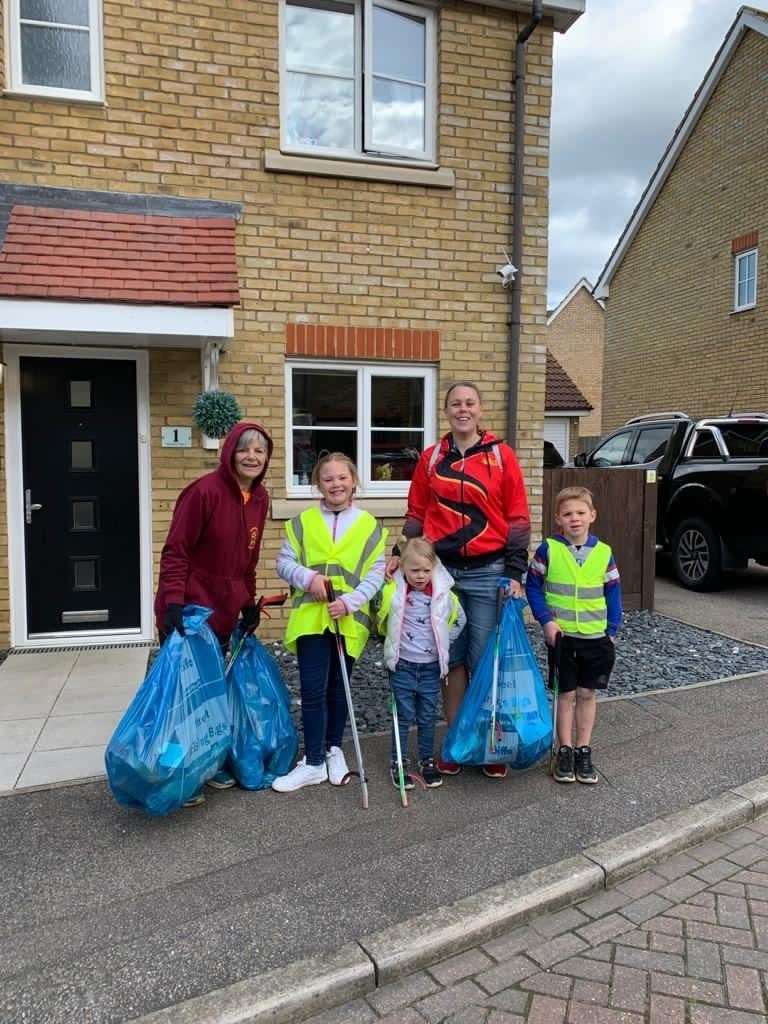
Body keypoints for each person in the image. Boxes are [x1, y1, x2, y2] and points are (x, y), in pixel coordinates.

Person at [387, 381, 530, 780]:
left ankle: (487, 746)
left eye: (469, 403)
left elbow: (518, 516)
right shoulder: (432, 458)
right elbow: (416, 512)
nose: (462, 409)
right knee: (449, 661)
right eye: (455, 404)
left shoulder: (501, 456)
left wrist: (516, 572)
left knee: (485, 661)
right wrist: (400, 555)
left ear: (480, 409)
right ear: (446, 410)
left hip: (489, 572)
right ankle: (456, 743)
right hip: (442, 573)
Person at [154, 421, 273, 804]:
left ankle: (205, 761)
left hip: (223, 612)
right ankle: (178, 773)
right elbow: (176, 551)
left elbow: (247, 561)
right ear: (230, 452)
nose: (252, 456)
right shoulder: (203, 492)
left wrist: (249, 604)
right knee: (184, 696)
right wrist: (173, 602)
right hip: (190, 609)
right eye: (244, 449)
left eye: (259, 450)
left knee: (211, 693)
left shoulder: (260, 498)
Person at [272, 453, 387, 793]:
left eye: (342, 478)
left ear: (354, 481)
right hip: (311, 618)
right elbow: (283, 563)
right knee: (312, 689)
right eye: (327, 479)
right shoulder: (302, 522)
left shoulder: (370, 526)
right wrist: (308, 579)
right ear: (317, 485)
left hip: (348, 620)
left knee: (340, 688)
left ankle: (334, 749)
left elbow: (375, 574)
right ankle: (313, 762)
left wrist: (350, 602)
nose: (336, 484)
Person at [525, 485, 623, 785]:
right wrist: (546, 622)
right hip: (563, 637)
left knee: (586, 694)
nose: (575, 519)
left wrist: (612, 631)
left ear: (592, 515)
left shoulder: (604, 553)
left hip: (595, 637)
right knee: (565, 694)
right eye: (568, 514)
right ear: (558, 519)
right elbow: (533, 587)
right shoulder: (549, 550)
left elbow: (613, 592)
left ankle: (583, 748)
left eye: (581, 513)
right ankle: (564, 750)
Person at [377, 537, 466, 790]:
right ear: (402, 567)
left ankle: (427, 760)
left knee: (427, 716)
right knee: (402, 717)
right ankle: (399, 762)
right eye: (414, 570)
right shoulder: (393, 593)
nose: (420, 576)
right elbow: (381, 620)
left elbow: (459, 620)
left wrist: (443, 644)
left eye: (426, 570)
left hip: (430, 666)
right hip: (403, 664)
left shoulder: (443, 596)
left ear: (434, 568)